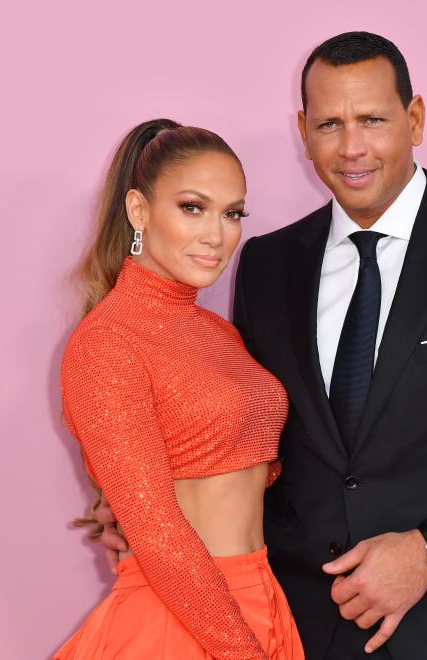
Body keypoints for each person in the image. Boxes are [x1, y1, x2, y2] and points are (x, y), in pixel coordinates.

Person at [97, 32, 427, 659]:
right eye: (329, 124)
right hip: (301, 629)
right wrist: (138, 489)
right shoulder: (267, 263)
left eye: (372, 119)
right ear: (302, 131)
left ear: (414, 119)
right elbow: (258, 432)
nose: (352, 147)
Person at [55, 118, 304, 659]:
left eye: (232, 213)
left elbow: (245, 467)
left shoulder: (219, 333)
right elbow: (159, 532)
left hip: (260, 599)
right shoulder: (106, 341)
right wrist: (240, 652)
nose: (217, 235)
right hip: (179, 620)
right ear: (139, 211)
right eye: (193, 207)